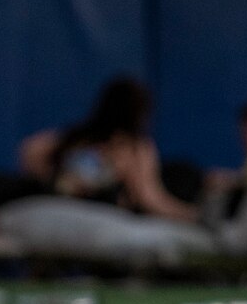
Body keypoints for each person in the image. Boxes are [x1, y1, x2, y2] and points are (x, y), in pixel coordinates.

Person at [17, 76, 197, 221]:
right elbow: (148, 198)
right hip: (95, 204)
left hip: (65, 198)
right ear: (140, 114)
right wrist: (192, 216)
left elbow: (28, 150)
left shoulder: (74, 138)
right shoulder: (134, 148)